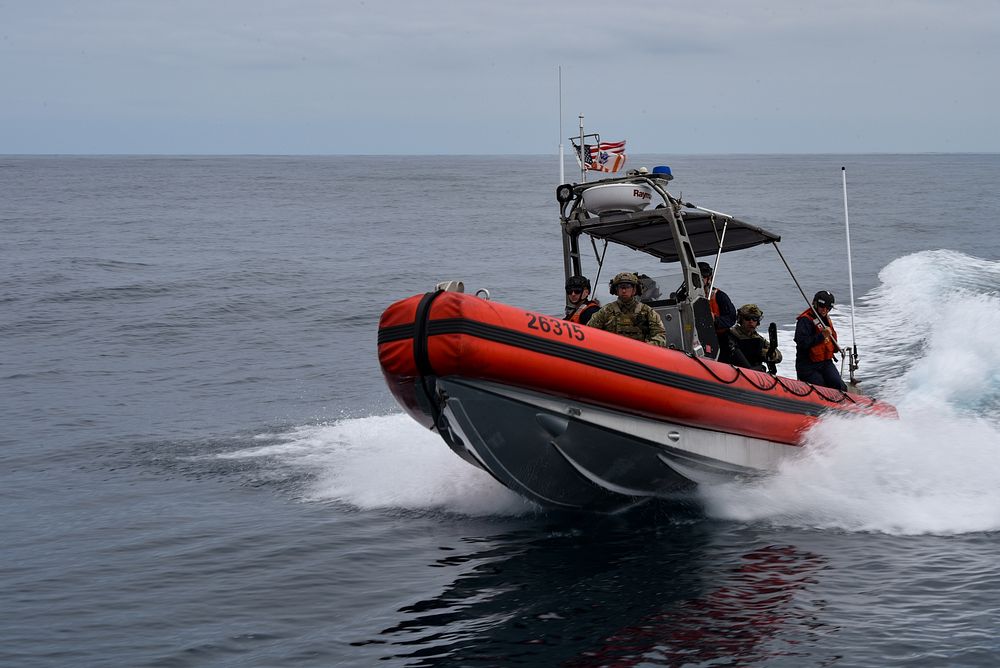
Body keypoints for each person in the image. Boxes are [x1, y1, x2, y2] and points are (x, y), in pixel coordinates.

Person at [587, 272, 667, 346]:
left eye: (628, 287)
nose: (624, 291)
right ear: (616, 290)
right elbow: (589, 332)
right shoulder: (606, 311)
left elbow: (660, 335)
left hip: (640, 354)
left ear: (634, 289)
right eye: (621, 287)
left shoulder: (647, 311)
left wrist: (647, 347)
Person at [794, 290, 848, 391]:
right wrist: (821, 336)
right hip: (808, 365)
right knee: (821, 389)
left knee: (839, 385)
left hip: (825, 362)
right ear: (815, 304)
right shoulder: (805, 321)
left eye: (828, 308)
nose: (825, 310)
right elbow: (802, 343)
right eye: (822, 306)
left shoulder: (825, 319)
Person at [698, 262, 737, 361]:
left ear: (709, 278)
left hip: (719, 339)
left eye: (703, 277)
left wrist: (715, 319)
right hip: (696, 339)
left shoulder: (720, 296)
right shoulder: (685, 297)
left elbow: (732, 318)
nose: (700, 280)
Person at [730, 304, 782, 372]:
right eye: (747, 318)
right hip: (733, 371)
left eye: (754, 318)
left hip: (754, 375)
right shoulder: (731, 334)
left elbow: (779, 356)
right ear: (741, 319)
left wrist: (769, 354)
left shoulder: (758, 339)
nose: (751, 321)